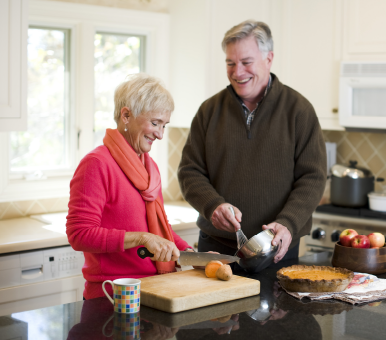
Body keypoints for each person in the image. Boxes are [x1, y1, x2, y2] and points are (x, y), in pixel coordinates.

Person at [178, 20, 326, 264]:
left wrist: (288, 222)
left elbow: (313, 178)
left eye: (246, 62)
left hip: (278, 248)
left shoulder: (299, 110)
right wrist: (213, 205)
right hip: (216, 247)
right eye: (230, 63)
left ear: (269, 58)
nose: (237, 72)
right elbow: (189, 172)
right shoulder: (209, 111)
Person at [66, 73, 192, 300]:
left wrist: (193, 255)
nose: (160, 135)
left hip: (155, 290)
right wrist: (141, 238)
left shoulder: (149, 167)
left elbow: (160, 231)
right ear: (126, 115)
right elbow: (79, 235)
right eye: (155, 123)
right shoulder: (97, 164)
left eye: (164, 125)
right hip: (113, 295)